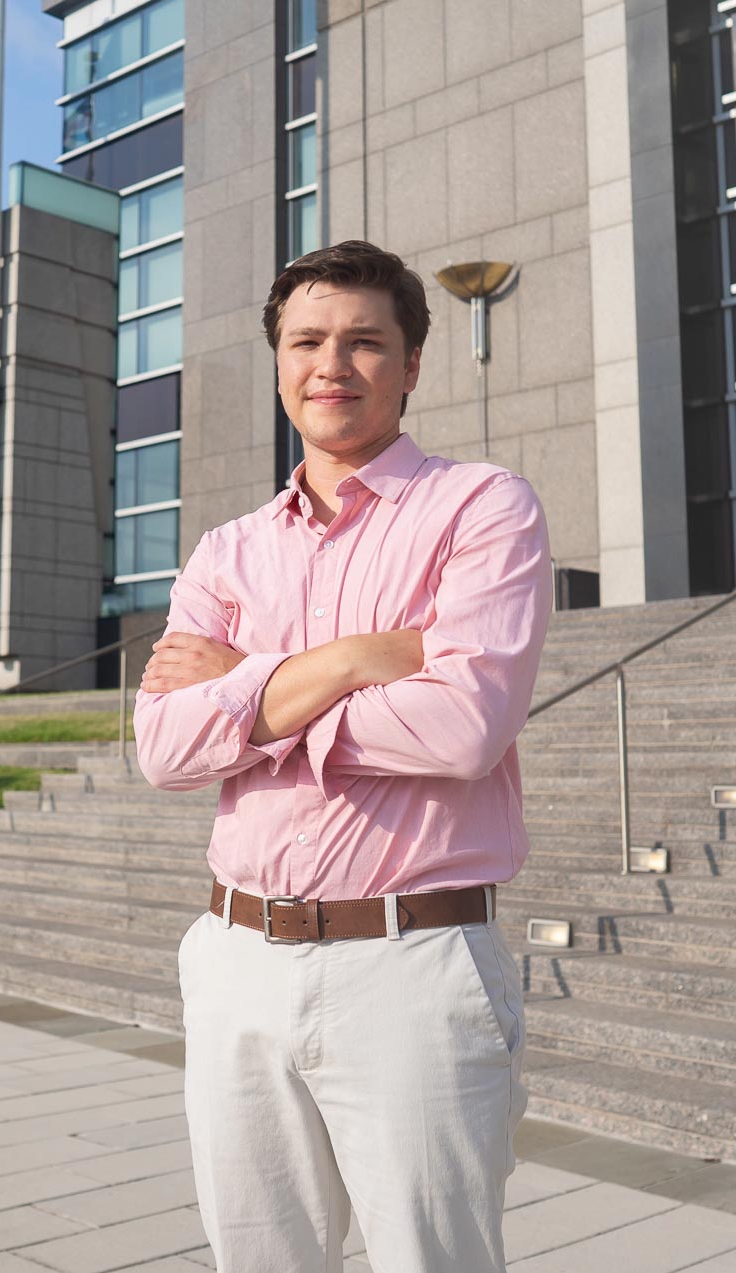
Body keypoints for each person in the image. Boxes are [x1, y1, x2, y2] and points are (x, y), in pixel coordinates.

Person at [132, 239, 553, 1273]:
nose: (333, 363)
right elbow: (163, 746)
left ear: (411, 364)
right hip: (236, 958)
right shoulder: (228, 549)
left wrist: (246, 687)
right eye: (307, 340)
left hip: (410, 961)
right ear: (278, 362)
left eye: (365, 341)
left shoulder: (482, 507)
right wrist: (349, 662)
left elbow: (461, 727)